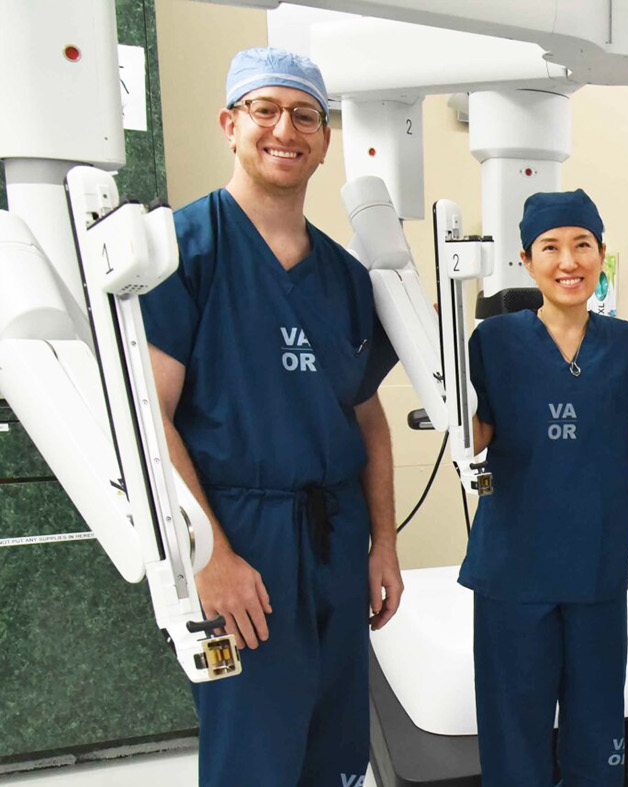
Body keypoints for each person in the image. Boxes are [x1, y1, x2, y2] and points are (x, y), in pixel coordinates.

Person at [140, 47, 401, 786]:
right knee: (254, 756)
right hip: (242, 541)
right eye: (265, 109)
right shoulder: (184, 253)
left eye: (305, 114)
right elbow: (150, 423)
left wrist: (382, 543)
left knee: (338, 752)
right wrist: (209, 556)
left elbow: (369, 422)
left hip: (336, 537)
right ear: (230, 123)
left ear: (323, 139)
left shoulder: (346, 280)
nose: (285, 128)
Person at [461, 189, 628, 786]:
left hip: (596, 562)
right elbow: (475, 435)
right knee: (514, 724)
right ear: (526, 262)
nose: (568, 261)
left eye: (582, 245)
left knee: (596, 722)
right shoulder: (494, 341)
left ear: (602, 255)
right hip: (514, 567)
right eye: (550, 248)